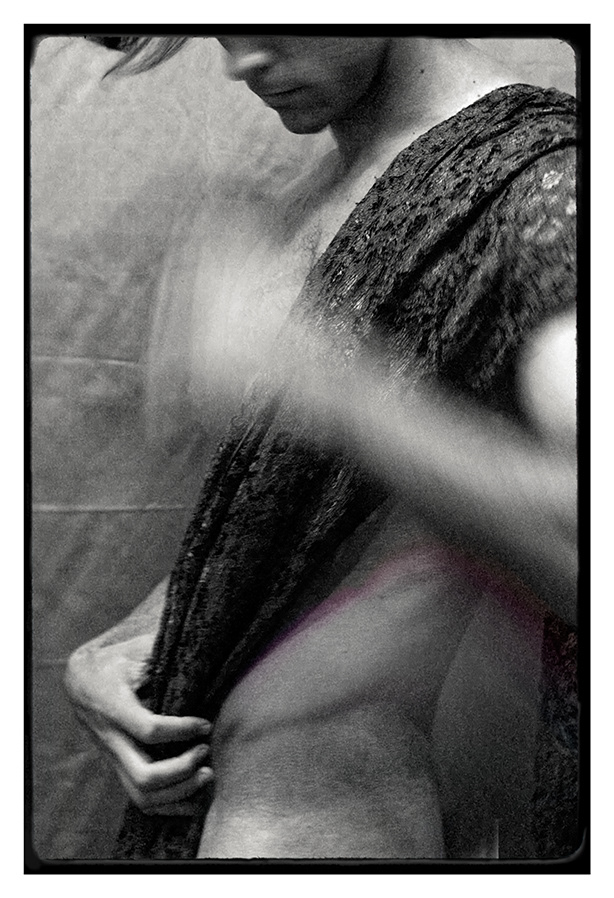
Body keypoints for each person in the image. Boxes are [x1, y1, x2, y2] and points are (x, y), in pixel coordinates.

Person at [65, 36, 578, 860]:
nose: (239, 62)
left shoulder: (553, 186)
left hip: (341, 825)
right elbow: (334, 531)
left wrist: (327, 384)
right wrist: (140, 638)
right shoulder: (317, 194)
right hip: (211, 810)